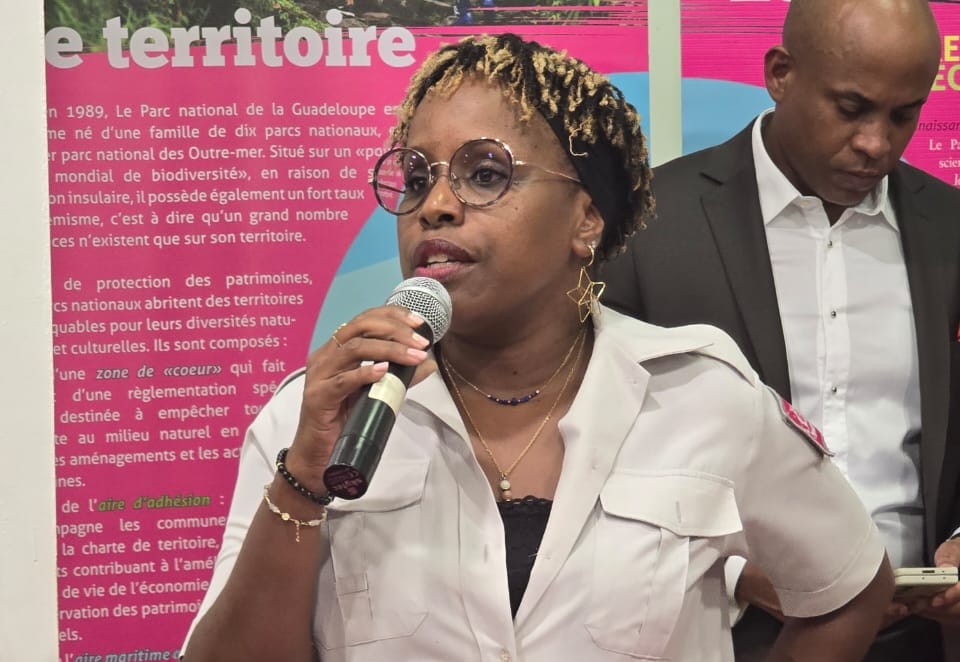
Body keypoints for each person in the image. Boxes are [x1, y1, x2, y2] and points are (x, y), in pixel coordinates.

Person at [181, 33, 895, 662]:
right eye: (419, 177)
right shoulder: (318, 418)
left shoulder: (700, 393)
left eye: (485, 174)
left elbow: (850, 590)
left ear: (587, 219)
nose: (436, 205)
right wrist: (305, 477)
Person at [601, 1, 960, 660]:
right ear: (780, 74)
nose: (876, 143)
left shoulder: (951, 229)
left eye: (903, 115)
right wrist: (731, 569)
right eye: (851, 109)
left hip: (919, 638)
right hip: (719, 635)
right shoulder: (646, 225)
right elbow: (589, 447)